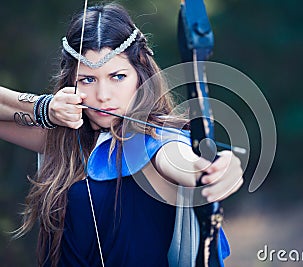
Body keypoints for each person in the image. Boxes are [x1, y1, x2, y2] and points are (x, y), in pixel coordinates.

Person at [0, 3, 243, 267]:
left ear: (140, 74)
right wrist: (44, 108)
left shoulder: (159, 142)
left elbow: (188, 165)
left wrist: (217, 170)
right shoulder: (63, 140)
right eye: (87, 80)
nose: (103, 96)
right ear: (71, 83)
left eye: (117, 76)